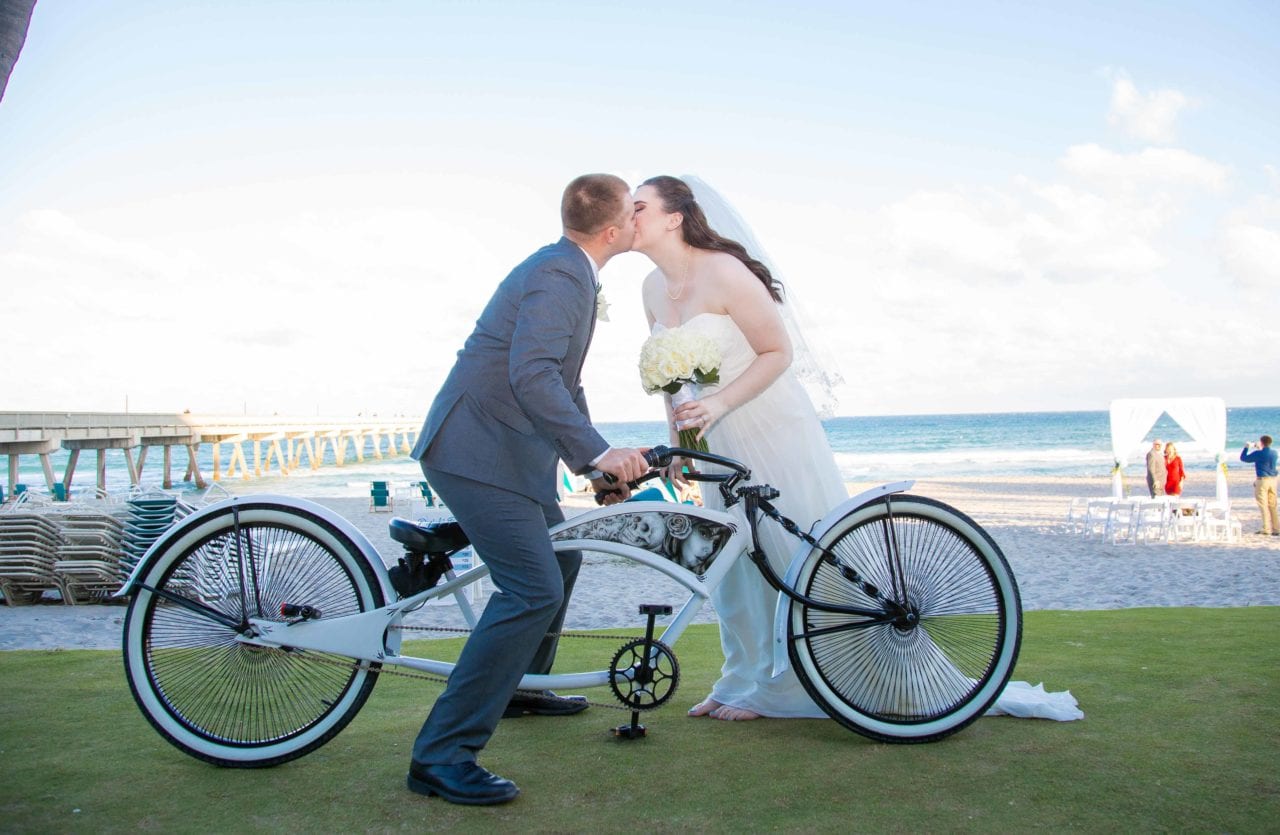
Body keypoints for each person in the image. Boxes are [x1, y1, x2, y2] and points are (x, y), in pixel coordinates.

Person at [406, 173, 650, 805]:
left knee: (562, 555)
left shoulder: (569, 268)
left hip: (506, 453)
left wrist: (595, 467)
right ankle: (442, 755)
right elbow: (532, 374)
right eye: (635, 211)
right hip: (476, 452)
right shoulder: (561, 274)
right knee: (530, 588)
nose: (641, 218)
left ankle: (520, 686)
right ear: (613, 229)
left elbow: (561, 385)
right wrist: (597, 453)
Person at [631, 175, 849, 721]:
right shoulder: (650, 289)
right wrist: (681, 445)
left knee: (783, 549)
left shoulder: (725, 271)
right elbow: (670, 378)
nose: (628, 216)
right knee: (729, 559)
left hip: (767, 426)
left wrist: (721, 404)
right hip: (712, 441)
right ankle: (741, 677)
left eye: (639, 207)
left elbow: (777, 352)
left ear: (674, 218)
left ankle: (793, 685)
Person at [1240, 435, 1279, 536]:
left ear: (1261, 442)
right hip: (1273, 480)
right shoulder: (1275, 453)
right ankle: (1276, 528)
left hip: (1262, 480)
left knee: (1263, 505)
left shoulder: (1258, 453)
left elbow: (1244, 458)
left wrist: (1246, 447)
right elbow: (1265, 458)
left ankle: (1266, 528)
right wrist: (1260, 448)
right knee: (1272, 505)